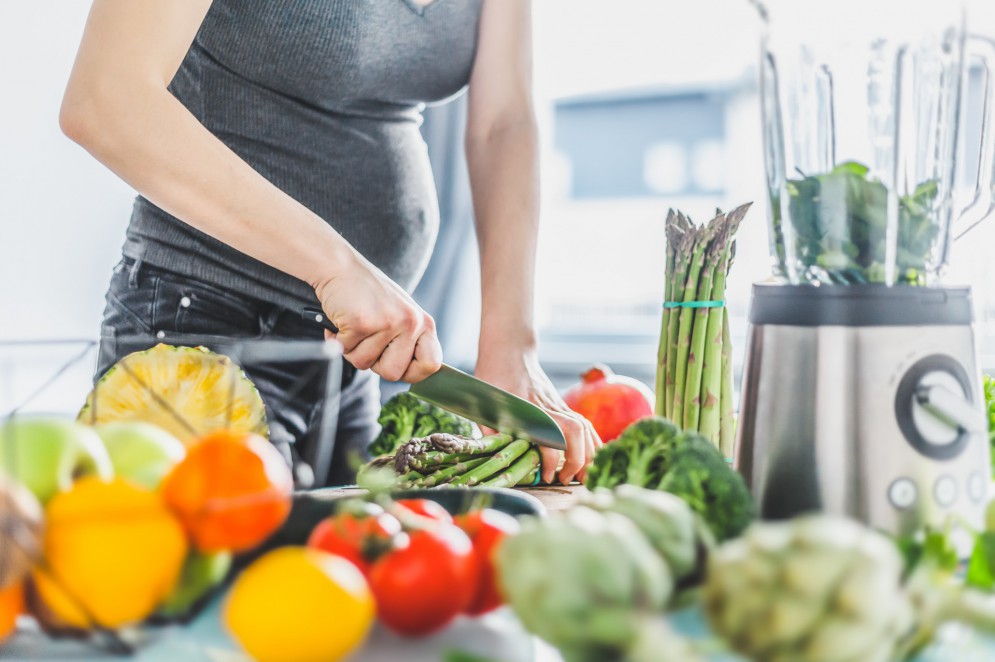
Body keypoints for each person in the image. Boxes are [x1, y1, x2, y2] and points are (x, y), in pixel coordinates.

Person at [61, 0, 602, 486]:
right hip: (199, 335)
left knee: (340, 590)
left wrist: (510, 347)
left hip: (348, 361)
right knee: (205, 595)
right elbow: (106, 99)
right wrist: (336, 267)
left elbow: (503, 123)